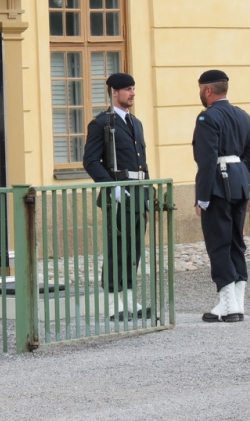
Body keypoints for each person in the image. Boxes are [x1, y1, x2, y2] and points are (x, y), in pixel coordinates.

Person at [83, 72, 150, 320]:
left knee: (134, 251)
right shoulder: (102, 123)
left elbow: (141, 162)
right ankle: (114, 305)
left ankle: (131, 303)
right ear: (115, 92)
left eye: (133, 88)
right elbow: (90, 161)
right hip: (118, 196)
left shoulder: (136, 123)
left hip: (137, 193)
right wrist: (113, 188)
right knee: (117, 250)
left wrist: (146, 194)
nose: (132, 93)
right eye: (128, 89)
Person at [192, 69, 250, 323]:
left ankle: (229, 305)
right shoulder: (243, 115)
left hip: (218, 186)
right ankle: (236, 304)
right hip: (239, 183)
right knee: (236, 243)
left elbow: (206, 161)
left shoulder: (207, 118)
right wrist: (241, 175)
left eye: (200, 89)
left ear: (208, 90)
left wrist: (203, 196)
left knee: (219, 244)